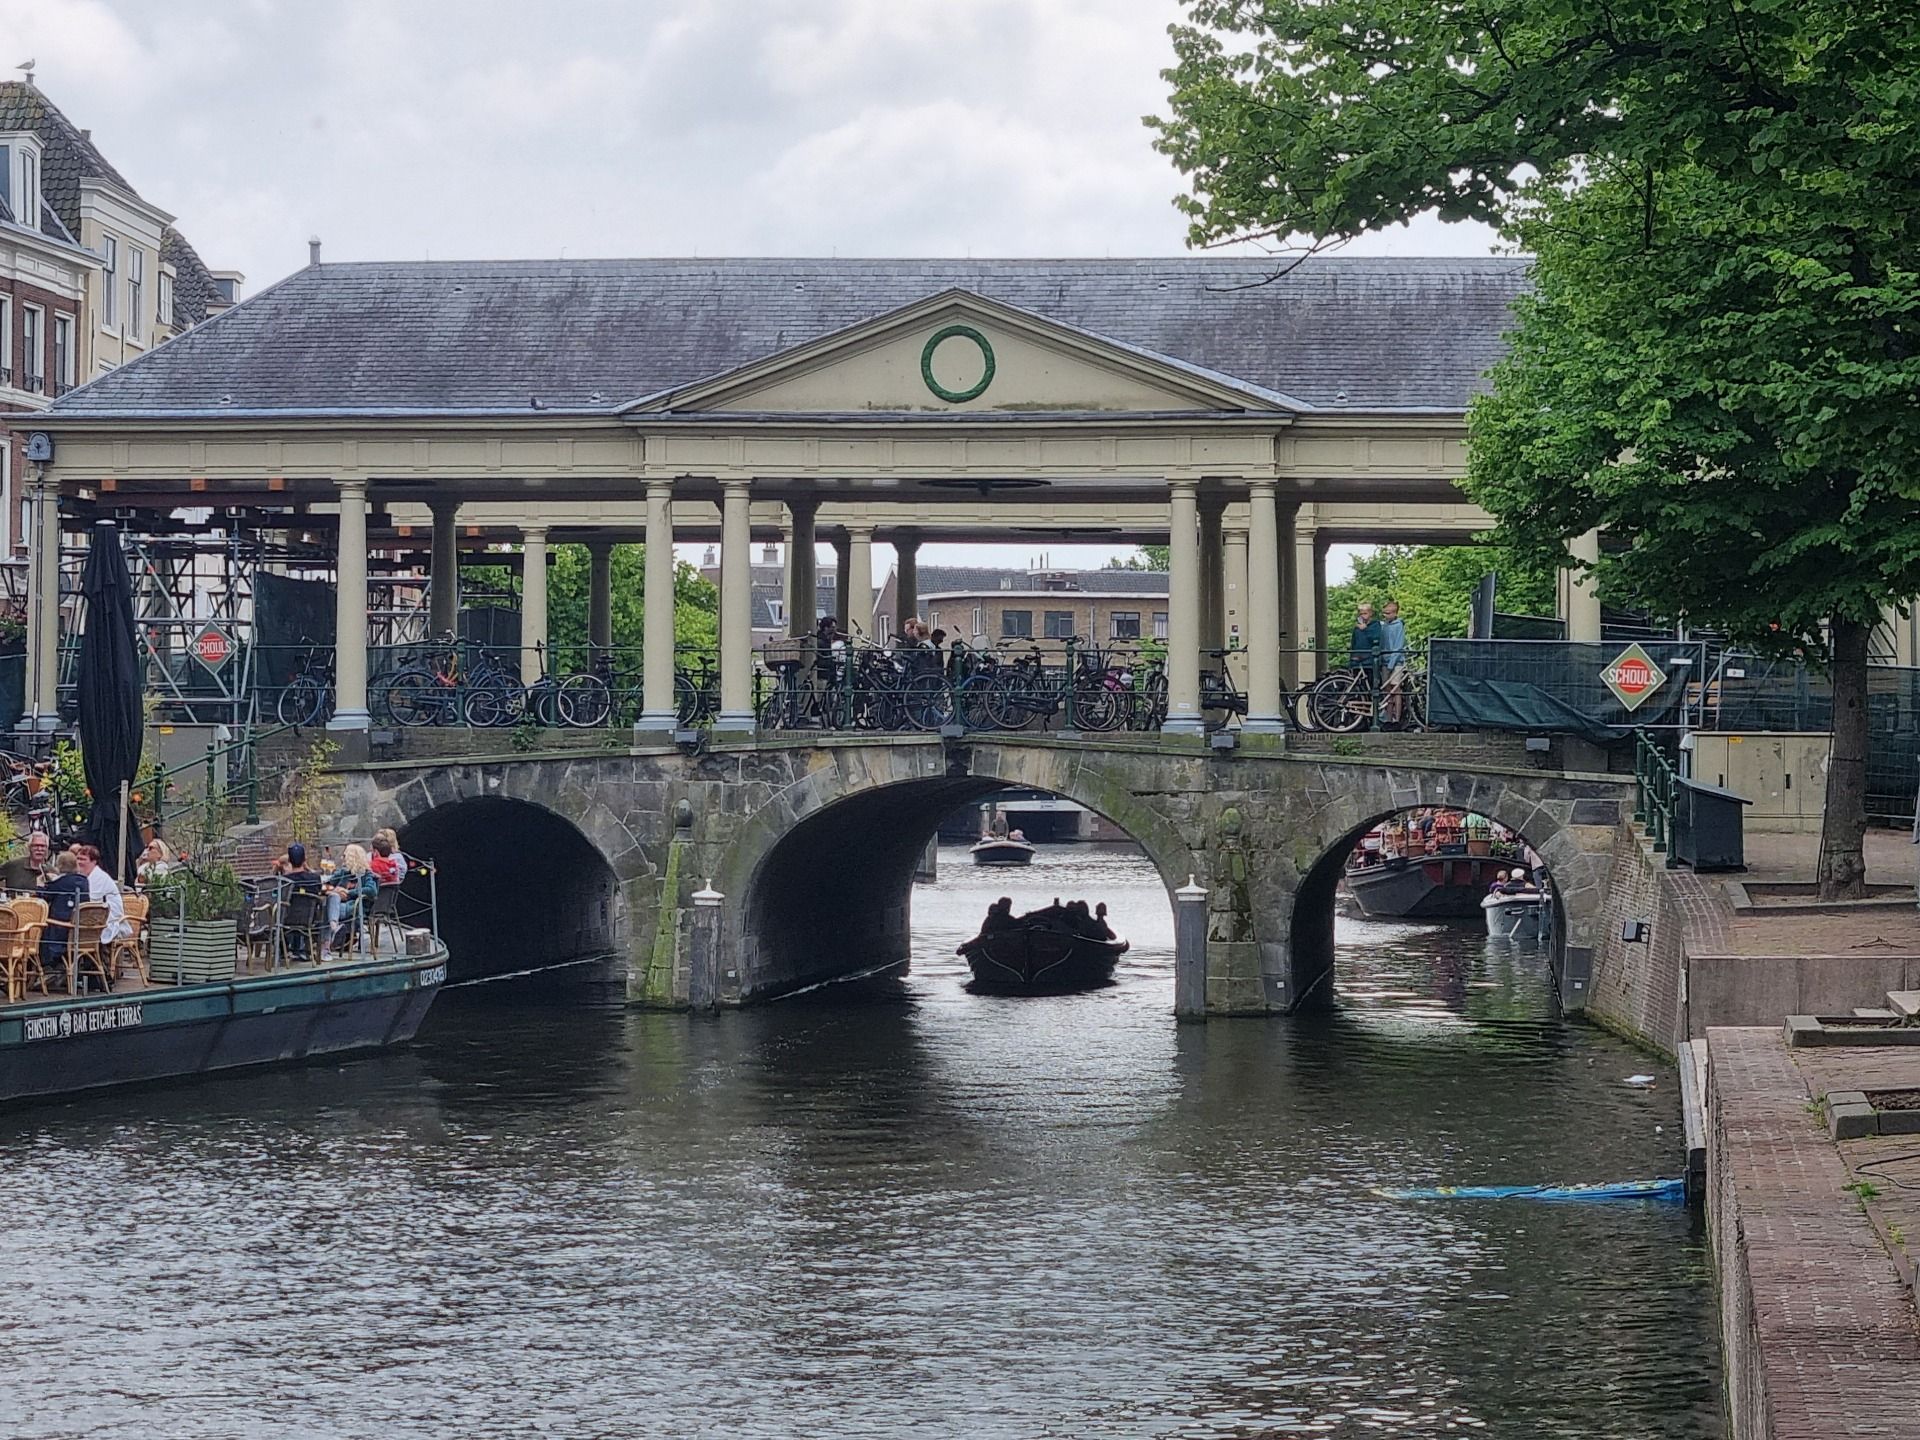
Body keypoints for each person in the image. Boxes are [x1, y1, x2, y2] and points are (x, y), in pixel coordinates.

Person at [38, 850, 87, 992]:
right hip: (83, 932)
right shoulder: (84, 881)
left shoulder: (61, 882)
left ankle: (47, 967)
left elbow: (44, 896)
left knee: (39, 930)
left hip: (63, 932)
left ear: (60, 865)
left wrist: (40, 884)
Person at [74, 844, 131, 949]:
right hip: (94, 915)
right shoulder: (84, 875)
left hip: (109, 918)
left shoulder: (98, 877)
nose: (79, 862)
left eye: (83, 859)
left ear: (93, 861)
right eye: (78, 858)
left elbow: (90, 901)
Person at [325, 844, 379, 953]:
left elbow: (372, 890)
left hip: (355, 907)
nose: (342, 858)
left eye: (344, 856)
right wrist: (335, 890)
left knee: (324, 911)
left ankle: (325, 943)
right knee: (327, 906)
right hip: (341, 905)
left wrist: (349, 892)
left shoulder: (366, 874)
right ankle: (333, 933)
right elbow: (328, 882)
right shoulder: (344, 873)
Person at [280, 843, 326, 960]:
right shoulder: (314, 878)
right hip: (310, 919)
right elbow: (320, 890)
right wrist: (309, 868)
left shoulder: (284, 881)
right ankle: (308, 949)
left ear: (289, 860)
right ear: (304, 859)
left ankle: (283, 951)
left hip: (286, 919)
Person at [1349, 602, 1385, 682]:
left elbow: (1376, 640)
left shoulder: (1376, 625)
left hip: (1370, 662)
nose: (1363, 616)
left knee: (1372, 684)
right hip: (1357, 662)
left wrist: (1365, 629)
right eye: (1361, 613)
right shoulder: (1357, 628)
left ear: (1371, 613)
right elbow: (1353, 644)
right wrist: (1351, 660)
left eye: (1365, 613)